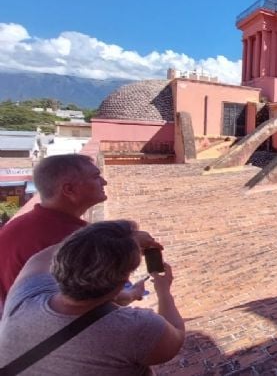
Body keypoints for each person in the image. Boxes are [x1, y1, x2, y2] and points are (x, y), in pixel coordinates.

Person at [0, 220, 185, 374]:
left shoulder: (27, 295)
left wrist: (114, 241)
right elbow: (175, 337)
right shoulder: (134, 329)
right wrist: (163, 290)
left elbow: (42, 258)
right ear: (121, 281)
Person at [0, 155, 146, 314]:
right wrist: (132, 294)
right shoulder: (71, 239)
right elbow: (94, 299)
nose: (104, 182)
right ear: (69, 190)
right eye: (96, 177)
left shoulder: (20, 225)